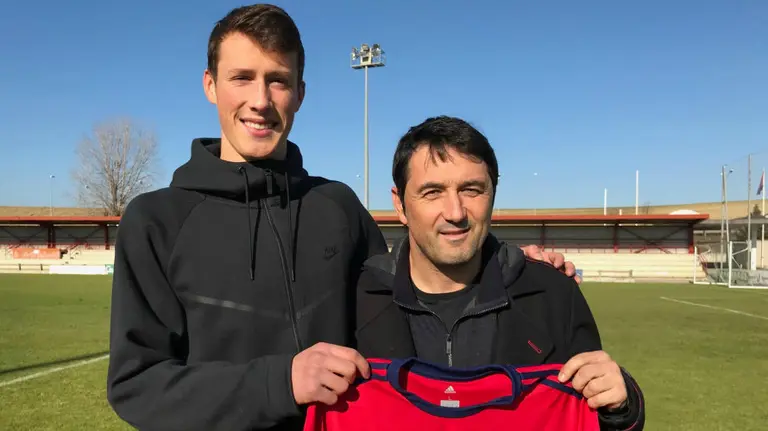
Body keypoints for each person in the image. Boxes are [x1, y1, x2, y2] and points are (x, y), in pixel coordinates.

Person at [106, 4, 581, 431]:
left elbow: (410, 293)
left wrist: (511, 267)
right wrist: (281, 383)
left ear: (300, 92)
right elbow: (136, 385)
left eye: (278, 80)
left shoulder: (337, 206)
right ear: (210, 85)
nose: (260, 100)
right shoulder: (156, 221)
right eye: (242, 77)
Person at [353, 116, 645, 430]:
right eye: (433, 192)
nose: (455, 213)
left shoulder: (553, 293)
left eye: (472, 190)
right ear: (400, 205)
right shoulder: (356, 299)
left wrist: (622, 406)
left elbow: (594, 412)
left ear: (493, 193)